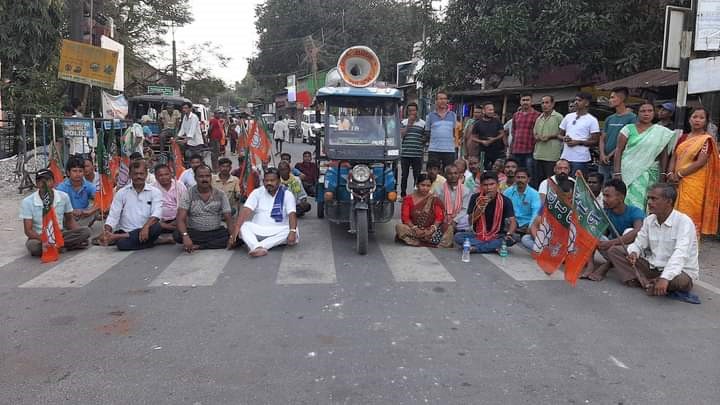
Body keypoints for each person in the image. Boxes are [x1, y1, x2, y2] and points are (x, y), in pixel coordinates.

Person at [606, 183, 697, 295]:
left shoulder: (684, 222)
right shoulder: (649, 220)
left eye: (654, 199)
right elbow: (639, 243)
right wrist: (634, 252)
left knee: (678, 281)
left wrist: (665, 277)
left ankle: (647, 281)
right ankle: (649, 282)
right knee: (614, 251)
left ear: (668, 201)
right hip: (653, 267)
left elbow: (680, 254)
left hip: (678, 272)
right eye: (648, 198)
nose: (649, 202)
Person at [667, 107, 720, 236]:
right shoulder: (683, 137)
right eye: (694, 117)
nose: (697, 120)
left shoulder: (706, 140)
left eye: (701, 118)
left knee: (689, 217)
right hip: (675, 183)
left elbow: (700, 162)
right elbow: (674, 156)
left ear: (706, 121)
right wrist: (670, 173)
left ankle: (690, 249)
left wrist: (679, 174)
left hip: (694, 185)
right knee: (673, 216)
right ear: (689, 119)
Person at [614, 102, 675, 211]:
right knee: (632, 203)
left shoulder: (661, 132)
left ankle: (646, 226)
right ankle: (633, 225)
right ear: (637, 113)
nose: (646, 114)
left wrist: (663, 174)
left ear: (654, 113)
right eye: (643, 111)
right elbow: (619, 151)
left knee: (650, 203)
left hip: (652, 173)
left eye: (650, 111)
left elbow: (663, 154)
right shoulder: (628, 129)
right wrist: (617, 173)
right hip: (630, 172)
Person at [582, 178, 644, 281]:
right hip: (611, 249)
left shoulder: (635, 211)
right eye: (604, 195)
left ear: (620, 197)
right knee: (592, 232)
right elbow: (600, 233)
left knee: (629, 231)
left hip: (632, 253)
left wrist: (611, 243)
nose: (604, 199)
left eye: (608, 196)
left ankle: (606, 266)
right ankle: (590, 264)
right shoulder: (605, 212)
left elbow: (638, 231)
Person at [20, 169, 92, 257]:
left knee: (86, 231)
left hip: (60, 234)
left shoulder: (63, 196)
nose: (44, 184)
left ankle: (58, 246)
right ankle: (65, 246)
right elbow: (28, 230)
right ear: (37, 184)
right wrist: (44, 239)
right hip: (40, 237)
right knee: (33, 247)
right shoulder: (27, 202)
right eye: (40, 181)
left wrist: (78, 233)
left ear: (53, 182)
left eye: (47, 180)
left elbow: (69, 220)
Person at [231, 168, 298, 257]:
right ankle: (259, 246)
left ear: (279, 181)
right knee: (244, 226)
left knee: (294, 230)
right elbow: (246, 210)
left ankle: (256, 246)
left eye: (272, 180)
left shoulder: (287, 194)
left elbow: (292, 214)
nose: (269, 183)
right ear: (263, 181)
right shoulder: (257, 192)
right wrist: (235, 230)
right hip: (258, 230)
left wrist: (292, 231)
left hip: (278, 231)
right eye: (266, 180)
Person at [100, 160, 162, 250]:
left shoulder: (155, 192)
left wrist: (146, 226)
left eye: (141, 174)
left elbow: (157, 213)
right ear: (130, 175)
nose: (138, 176)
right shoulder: (121, 193)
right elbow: (113, 215)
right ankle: (152, 242)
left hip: (147, 230)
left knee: (157, 227)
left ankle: (119, 237)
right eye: (135, 174)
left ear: (146, 174)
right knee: (121, 244)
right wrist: (107, 232)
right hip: (126, 231)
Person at [174, 165, 234, 251]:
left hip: (216, 232)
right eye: (201, 176)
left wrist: (232, 236)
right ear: (195, 178)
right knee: (177, 235)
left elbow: (228, 218)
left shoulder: (220, 194)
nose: (204, 179)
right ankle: (214, 244)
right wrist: (185, 236)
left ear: (211, 177)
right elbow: (180, 218)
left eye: (207, 176)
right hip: (195, 233)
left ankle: (200, 246)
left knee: (239, 236)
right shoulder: (188, 194)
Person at [454, 171, 517, 253]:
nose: (489, 188)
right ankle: (492, 247)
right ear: (481, 186)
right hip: (478, 235)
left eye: (492, 184)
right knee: (458, 237)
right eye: (485, 185)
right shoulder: (475, 198)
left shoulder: (505, 200)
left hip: (497, 235)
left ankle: (477, 248)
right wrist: (481, 207)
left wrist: (509, 234)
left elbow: (512, 221)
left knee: (511, 239)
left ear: (497, 185)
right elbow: (470, 221)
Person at [395, 173, 445, 247]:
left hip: (430, 230)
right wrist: (415, 228)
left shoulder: (434, 199)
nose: (425, 188)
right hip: (414, 229)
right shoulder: (408, 199)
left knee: (448, 228)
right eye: (423, 185)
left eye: (428, 186)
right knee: (399, 227)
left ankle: (417, 240)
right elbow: (405, 218)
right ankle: (427, 240)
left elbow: (439, 217)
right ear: (417, 185)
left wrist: (432, 229)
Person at [598, 87, 637, 181]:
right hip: (604, 161)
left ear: (622, 99)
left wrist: (611, 155)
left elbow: (627, 141)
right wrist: (602, 154)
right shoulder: (609, 118)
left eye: (612, 97)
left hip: (619, 161)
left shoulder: (632, 118)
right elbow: (602, 138)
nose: (610, 100)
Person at [558, 93, 600, 177]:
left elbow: (595, 141)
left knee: (577, 184)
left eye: (579, 100)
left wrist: (578, 142)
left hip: (580, 159)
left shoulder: (592, 120)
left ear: (586, 103)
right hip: (565, 157)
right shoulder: (568, 116)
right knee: (564, 183)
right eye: (575, 100)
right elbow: (559, 135)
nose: (576, 102)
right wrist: (564, 138)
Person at [56, 157, 98, 227]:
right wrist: (71, 212)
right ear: (68, 173)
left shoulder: (89, 185)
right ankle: (78, 229)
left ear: (84, 172)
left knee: (96, 211)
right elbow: (58, 207)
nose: (78, 174)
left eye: (80, 171)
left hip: (83, 215)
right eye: (74, 171)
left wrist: (89, 211)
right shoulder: (61, 188)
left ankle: (78, 229)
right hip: (68, 217)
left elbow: (100, 201)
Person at [533, 95, 564, 185]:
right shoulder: (539, 118)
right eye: (542, 103)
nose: (544, 105)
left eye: (547, 102)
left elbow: (563, 134)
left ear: (553, 104)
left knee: (551, 182)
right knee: (539, 181)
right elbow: (535, 133)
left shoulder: (558, 117)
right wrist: (538, 137)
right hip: (538, 154)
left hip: (552, 155)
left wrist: (550, 136)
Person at [437, 164, 471, 244]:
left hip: (459, 219)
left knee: (468, 219)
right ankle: (449, 234)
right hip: (443, 217)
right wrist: (444, 219)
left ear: (459, 175)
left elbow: (465, 209)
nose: (453, 176)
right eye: (450, 173)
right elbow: (438, 208)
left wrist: (454, 221)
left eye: (455, 173)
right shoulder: (439, 189)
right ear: (445, 175)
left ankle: (451, 232)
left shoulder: (466, 190)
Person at [154, 163, 187, 244]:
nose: (164, 177)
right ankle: (166, 236)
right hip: (160, 222)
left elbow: (186, 204)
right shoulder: (152, 188)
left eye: (166, 174)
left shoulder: (179, 185)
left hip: (177, 219)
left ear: (171, 174)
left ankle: (173, 229)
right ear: (156, 177)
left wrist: (178, 220)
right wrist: (163, 225)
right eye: (160, 175)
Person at [503, 167, 541, 234]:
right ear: (514, 178)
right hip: (511, 223)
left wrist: (531, 227)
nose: (520, 180)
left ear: (528, 179)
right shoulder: (507, 192)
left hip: (526, 224)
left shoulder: (534, 194)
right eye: (518, 177)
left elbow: (535, 213)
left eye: (523, 177)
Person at [510, 93, 541, 175]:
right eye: (523, 100)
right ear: (520, 102)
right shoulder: (516, 115)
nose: (525, 102)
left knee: (529, 173)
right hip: (516, 149)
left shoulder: (537, 115)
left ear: (531, 101)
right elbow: (513, 131)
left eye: (527, 100)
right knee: (516, 173)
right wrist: (511, 149)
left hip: (530, 150)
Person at [424, 90, 457, 168]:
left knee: (449, 174)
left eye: (445, 99)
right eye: (440, 99)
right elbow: (427, 133)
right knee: (433, 174)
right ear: (436, 101)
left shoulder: (453, 115)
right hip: (434, 150)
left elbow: (453, 132)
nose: (443, 101)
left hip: (449, 150)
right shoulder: (430, 116)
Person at [400, 102, 426, 199]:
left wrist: (421, 142)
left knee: (417, 175)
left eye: (414, 110)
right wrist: (409, 124)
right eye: (410, 110)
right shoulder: (403, 122)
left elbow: (425, 136)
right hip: (405, 153)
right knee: (404, 175)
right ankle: (403, 195)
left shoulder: (423, 123)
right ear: (407, 112)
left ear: (417, 111)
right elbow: (401, 135)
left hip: (417, 153)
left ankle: (417, 194)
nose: (412, 112)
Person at [470, 102, 505, 170]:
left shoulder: (497, 121)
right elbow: (473, 137)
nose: (492, 111)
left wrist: (494, 139)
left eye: (492, 110)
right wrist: (482, 141)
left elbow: (502, 133)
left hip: (496, 151)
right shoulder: (477, 123)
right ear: (483, 111)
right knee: (482, 169)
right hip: (483, 152)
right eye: (489, 110)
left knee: (497, 169)